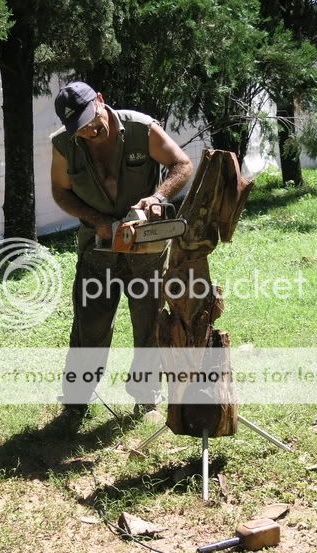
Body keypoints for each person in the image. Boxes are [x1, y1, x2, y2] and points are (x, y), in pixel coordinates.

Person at [51, 81, 192, 429]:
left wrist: (157, 198)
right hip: (97, 249)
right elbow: (60, 192)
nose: (89, 129)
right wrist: (98, 221)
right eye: (80, 127)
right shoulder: (64, 144)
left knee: (148, 324)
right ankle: (75, 403)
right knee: (90, 324)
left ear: (101, 100)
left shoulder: (140, 128)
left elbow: (182, 165)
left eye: (91, 119)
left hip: (146, 248)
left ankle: (147, 398)